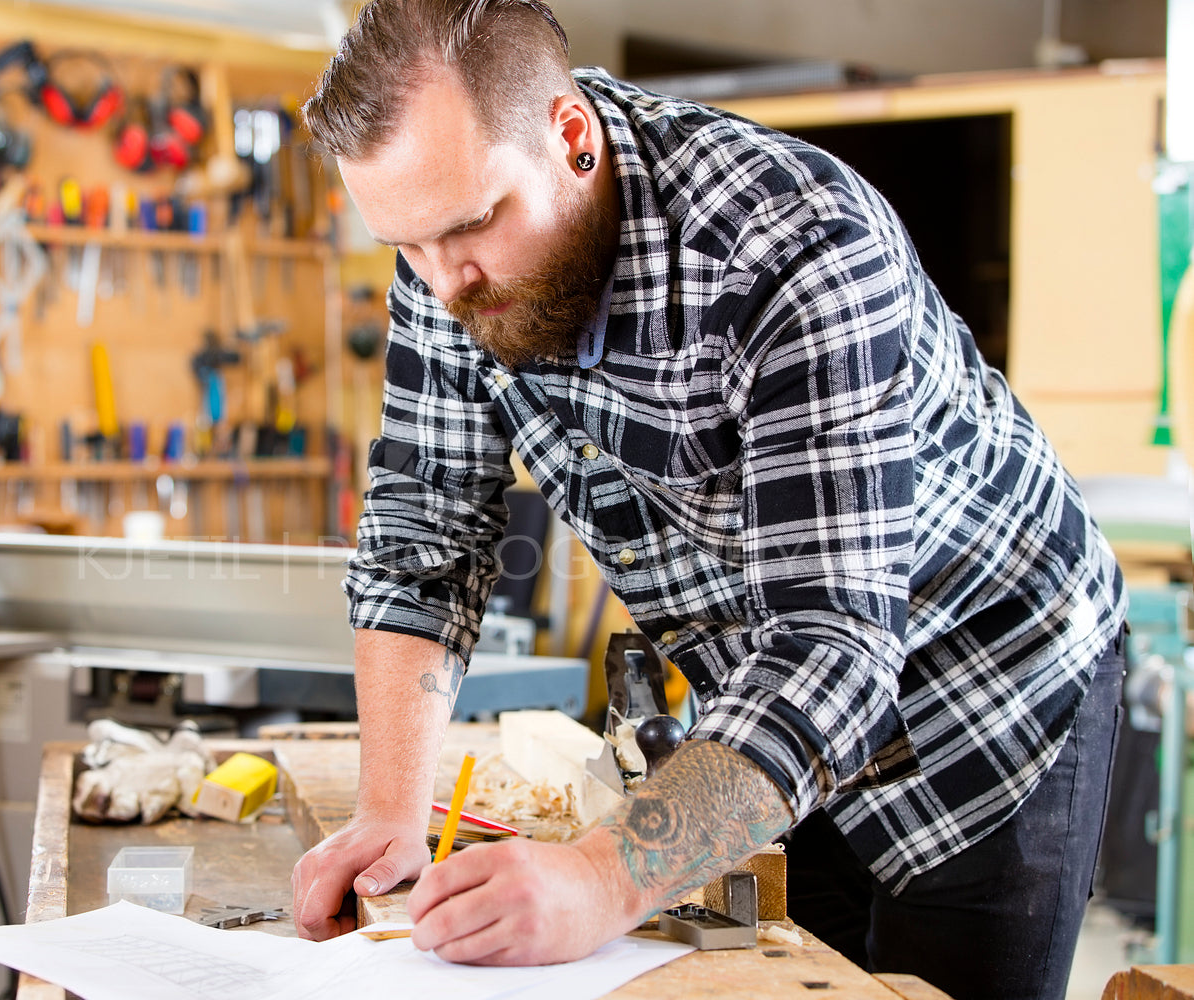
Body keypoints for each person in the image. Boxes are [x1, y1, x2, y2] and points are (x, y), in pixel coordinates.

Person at [289, 2, 1127, 997]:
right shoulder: (446, 250)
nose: (444, 287)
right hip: (770, 716)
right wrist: (392, 810)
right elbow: (424, 531)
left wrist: (602, 879)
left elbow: (830, 646)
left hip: (988, 687)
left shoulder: (792, 247)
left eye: (471, 228)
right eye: (406, 245)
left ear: (570, 138)